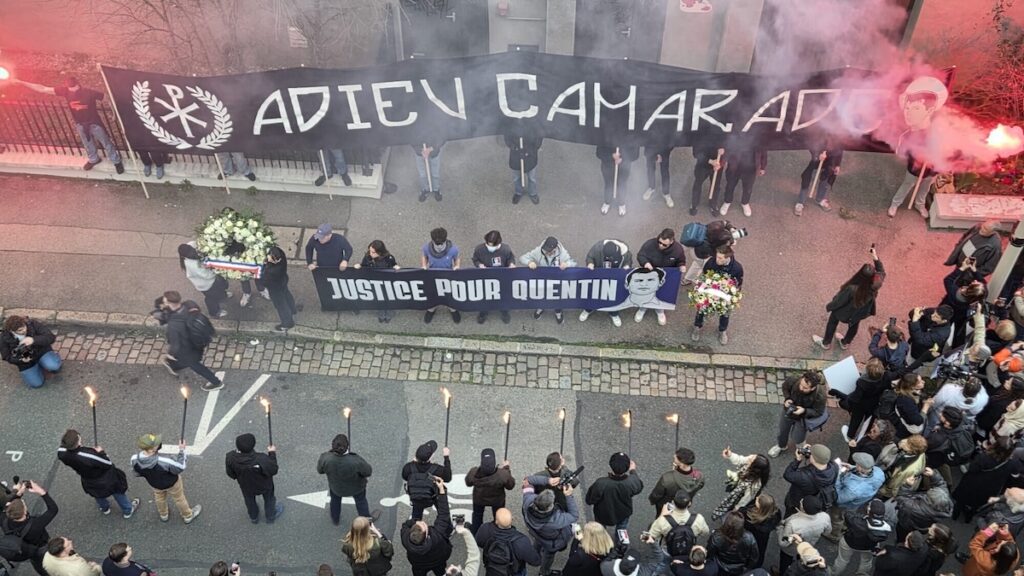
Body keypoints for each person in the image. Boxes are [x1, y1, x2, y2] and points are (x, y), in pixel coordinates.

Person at [14, 77, 123, 173]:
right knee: (87, 143)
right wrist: (20, 82)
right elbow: (43, 89)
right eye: (71, 89)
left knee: (106, 142)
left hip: (94, 123)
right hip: (80, 124)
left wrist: (114, 114)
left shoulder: (89, 92)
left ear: (78, 84)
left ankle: (116, 161)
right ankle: (94, 159)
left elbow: (107, 98)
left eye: (75, 88)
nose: (73, 91)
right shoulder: (65, 91)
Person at [813, 245, 885, 350]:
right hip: (859, 313)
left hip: (843, 313)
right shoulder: (876, 284)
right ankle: (845, 343)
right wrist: (875, 256)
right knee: (854, 326)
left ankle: (826, 343)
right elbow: (881, 271)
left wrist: (830, 306)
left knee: (832, 322)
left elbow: (839, 302)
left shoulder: (852, 289)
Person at [57, 429, 138, 519]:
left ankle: (105, 508)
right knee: (117, 491)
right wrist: (101, 452)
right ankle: (128, 510)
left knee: (97, 494)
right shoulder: (89, 455)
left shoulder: (61, 452)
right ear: (78, 442)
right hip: (106, 478)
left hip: (87, 478)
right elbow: (107, 463)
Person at [156, 291, 223, 391]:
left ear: (169, 303)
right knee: (192, 359)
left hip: (187, 348)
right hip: (197, 342)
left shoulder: (174, 324)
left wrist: (170, 354)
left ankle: (216, 382)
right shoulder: (190, 304)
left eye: (165, 301)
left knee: (195, 364)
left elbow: (175, 344)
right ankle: (174, 365)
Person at [130, 433, 201, 524]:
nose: (159, 444)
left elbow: (136, 473)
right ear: (152, 450)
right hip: (172, 483)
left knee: (159, 498)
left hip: (155, 484)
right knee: (179, 498)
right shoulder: (163, 461)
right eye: (156, 444)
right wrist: (182, 450)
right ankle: (187, 515)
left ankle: (164, 515)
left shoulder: (134, 459)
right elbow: (180, 466)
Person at [1, 480, 58, 576]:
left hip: (28, 550)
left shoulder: (4, 520)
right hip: (42, 548)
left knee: (40, 566)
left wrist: (18, 494)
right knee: (52, 564)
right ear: (24, 512)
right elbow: (53, 509)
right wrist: (41, 492)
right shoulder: (35, 525)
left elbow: (8, 505)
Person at [522, 479, 578, 576]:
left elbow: (527, 481)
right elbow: (574, 516)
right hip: (551, 543)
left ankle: (534, 554)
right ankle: (544, 572)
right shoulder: (556, 520)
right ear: (549, 507)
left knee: (538, 543)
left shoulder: (528, 500)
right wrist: (568, 496)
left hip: (536, 533)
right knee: (548, 556)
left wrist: (548, 480)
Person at [645, 492, 710, 573]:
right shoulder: (698, 519)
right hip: (688, 550)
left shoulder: (663, 521)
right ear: (689, 503)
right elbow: (705, 533)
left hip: (668, 550)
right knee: (684, 566)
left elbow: (651, 536)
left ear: (673, 502)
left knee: (664, 564)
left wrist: (662, 515)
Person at [585, 452, 644, 543]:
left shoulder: (601, 483)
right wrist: (632, 471)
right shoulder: (631, 481)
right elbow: (639, 486)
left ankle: (602, 543)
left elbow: (590, 500)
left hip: (603, 513)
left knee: (600, 530)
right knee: (621, 529)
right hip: (623, 513)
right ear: (627, 467)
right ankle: (620, 545)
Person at [691, 245, 743, 345]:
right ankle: (697, 326)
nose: (717, 259)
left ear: (727, 257)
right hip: (710, 293)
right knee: (701, 309)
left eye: (720, 258)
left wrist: (733, 296)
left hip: (724, 296)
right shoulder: (711, 262)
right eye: (717, 256)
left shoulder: (737, 268)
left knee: (725, 313)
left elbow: (738, 283)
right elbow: (704, 275)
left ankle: (722, 331)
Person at [401, 477, 454, 576]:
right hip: (438, 562)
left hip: (418, 565)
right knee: (441, 573)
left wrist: (414, 521)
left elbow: (406, 524)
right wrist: (442, 491)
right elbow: (443, 514)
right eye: (424, 525)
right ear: (426, 535)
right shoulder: (436, 536)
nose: (423, 522)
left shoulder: (405, 537)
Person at [768, 371, 828, 458]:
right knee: (782, 431)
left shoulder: (820, 395)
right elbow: (785, 386)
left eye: (805, 388)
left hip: (803, 418)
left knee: (798, 437)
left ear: (813, 388)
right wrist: (787, 398)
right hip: (789, 410)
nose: (801, 388)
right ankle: (781, 446)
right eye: (801, 384)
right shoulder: (795, 379)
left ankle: (800, 448)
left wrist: (804, 411)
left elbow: (818, 412)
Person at [826, 452, 884, 542]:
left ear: (860, 467)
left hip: (845, 504)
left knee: (836, 518)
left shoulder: (854, 489)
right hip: (857, 503)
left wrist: (837, 476)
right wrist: (852, 467)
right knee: (847, 515)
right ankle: (845, 525)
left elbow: (839, 499)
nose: (855, 464)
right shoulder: (879, 472)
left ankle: (834, 535)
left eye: (857, 464)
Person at [225, 433, 281, 524]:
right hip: (265, 485)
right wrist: (272, 453)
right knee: (269, 499)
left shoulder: (230, 457)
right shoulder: (262, 458)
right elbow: (273, 469)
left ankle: (253, 517)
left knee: (249, 500)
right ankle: (270, 516)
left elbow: (231, 474)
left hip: (246, 486)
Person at [318, 433, 372, 527]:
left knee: (335, 500)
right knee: (361, 501)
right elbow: (368, 471)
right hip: (357, 487)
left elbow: (320, 470)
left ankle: (335, 519)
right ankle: (366, 521)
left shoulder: (325, 458)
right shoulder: (355, 460)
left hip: (336, 487)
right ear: (347, 446)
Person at [954, 442, 1016, 523]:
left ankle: (955, 515)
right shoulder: (1011, 463)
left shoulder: (984, 457)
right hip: (990, 489)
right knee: (976, 504)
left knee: (961, 500)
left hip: (973, 483)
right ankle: (968, 518)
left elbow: (972, 468)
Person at [635, 228, 686, 325]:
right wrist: (645, 263)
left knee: (662, 295)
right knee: (645, 293)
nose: (660, 245)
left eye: (664, 244)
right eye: (659, 242)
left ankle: (660, 311)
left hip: (666, 277)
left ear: (671, 241)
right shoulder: (650, 244)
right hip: (648, 274)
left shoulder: (678, 249)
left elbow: (681, 260)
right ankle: (642, 308)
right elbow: (640, 255)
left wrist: (682, 265)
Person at [520, 236, 576, 324]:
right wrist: (529, 262)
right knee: (542, 294)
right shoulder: (539, 251)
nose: (546, 253)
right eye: (546, 251)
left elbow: (574, 263)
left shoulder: (563, 254)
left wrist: (567, 264)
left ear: (555, 249)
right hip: (544, 279)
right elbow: (523, 258)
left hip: (557, 280)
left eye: (549, 251)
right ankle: (541, 307)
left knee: (557, 297)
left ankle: (558, 312)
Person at [891, 468, 953, 542]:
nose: (930, 490)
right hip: (924, 525)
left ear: (929, 501)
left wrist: (907, 486)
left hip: (907, 524)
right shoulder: (943, 498)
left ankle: (900, 543)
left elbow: (901, 499)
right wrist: (933, 475)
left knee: (903, 536)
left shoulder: (915, 508)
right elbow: (940, 484)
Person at [580, 239, 632, 327]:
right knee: (594, 294)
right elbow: (590, 257)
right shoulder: (597, 248)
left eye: (610, 257)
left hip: (615, 278)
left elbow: (628, 260)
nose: (608, 259)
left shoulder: (624, 252)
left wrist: (627, 266)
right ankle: (588, 309)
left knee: (613, 297)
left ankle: (614, 313)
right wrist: (590, 263)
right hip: (599, 276)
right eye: (606, 257)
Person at [831, 499, 891, 576]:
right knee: (866, 562)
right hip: (870, 547)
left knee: (842, 560)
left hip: (850, 542)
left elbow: (848, 514)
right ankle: (862, 574)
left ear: (869, 510)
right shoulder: (887, 526)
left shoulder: (856, 521)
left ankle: (834, 573)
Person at [0, 314, 62, 388]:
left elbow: (50, 337)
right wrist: (21, 360)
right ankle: (37, 369)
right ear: (12, 331)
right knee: (36, 384)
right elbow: (7, 357)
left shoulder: (32, 324)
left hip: (41, 352)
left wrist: (34, 340)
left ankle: (51, 359)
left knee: (54, 366)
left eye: (24, 327)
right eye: (20, 330)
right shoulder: (3, 338)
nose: (24, 330)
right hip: (26, 363)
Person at [475, 508, 541, 576]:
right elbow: (535, 561)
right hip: (513, 572)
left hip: (492, 567)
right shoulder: (521, 541)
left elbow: (479, 542)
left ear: (496, 521)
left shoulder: (485, 528)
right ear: (512, 520)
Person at [940, 261, 988, 349]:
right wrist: (974, 270)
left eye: (975, 283)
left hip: (948, 312)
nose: (975, 280)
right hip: (962, 315)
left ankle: (939, 346)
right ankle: (956, 347)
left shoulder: (954, 293)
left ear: (970, 288)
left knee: (942, 328)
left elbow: (948, 279)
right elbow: (983, 283)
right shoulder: (979, 296)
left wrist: (962, 268)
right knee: (959, 331)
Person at [777, 496, 831, 575]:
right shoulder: (825, 517)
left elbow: (783, 542)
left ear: (803, 509)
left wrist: (780, 528)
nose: (801, 501)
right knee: (803, 561)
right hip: (809, 545)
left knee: (786, 562)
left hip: (791, 549)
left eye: (802, 503)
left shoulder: (793, 524)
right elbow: (827, 532)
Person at [712, 448, 770, 521]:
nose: (749, 457)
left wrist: (737, 508)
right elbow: (740, 460)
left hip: (738, 496)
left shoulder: (754, 485)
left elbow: (746, 499)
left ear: (754, 467)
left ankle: (724, 516)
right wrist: (730, 455)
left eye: (751, 459)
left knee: (729, 505)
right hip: (739, 488)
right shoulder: (751, 464)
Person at [781, 443, 839, 516]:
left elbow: (787, 474)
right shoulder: (834, 467)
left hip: (798, 500)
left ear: (813, 459)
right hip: (814, 499)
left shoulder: (804, 476)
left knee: (790, 513)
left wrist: (797, 460)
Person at [465, 449, 514, 535]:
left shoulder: (474, 472)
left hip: (479, 498)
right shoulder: (502, 474)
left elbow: (468, 483)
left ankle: (476, 532)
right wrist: (506, 468)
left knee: (477, 515)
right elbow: (510, 486)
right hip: (497, 500)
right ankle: (498, 531)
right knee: (497, 515)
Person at [471, 230, 516, 325]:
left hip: (502, 279)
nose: (490, 247)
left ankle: (504, 312)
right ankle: (483, 312)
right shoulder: (479, 249)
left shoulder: (505, 249)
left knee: (503, 297)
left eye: (492, 245)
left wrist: (511, 264)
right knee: (484, 297)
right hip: (485, 278)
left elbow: (511, 258)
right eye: (488, 244)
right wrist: (479, 265)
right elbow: (475, 259)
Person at [401, 440, 453, 521]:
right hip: (433, 495)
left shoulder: (408, 467)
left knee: (417, 512)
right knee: (442, 510)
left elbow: (405, 477)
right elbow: (448, 477)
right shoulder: (437, 469)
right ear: (431, 457)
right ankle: (446, 524)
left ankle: (415, 523)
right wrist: (446, 457)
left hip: (416, 496)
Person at [648, 447, 705, 518]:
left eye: (675, 458)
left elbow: (657, 494)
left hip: (666, 506)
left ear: (681, 463)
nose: (673, 457)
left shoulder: (667, 478)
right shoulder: (700, 476)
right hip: (684, 503)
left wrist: (652, 500)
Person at [353, 240, 401, 323]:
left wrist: (396, 267)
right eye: (370, 251)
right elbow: (364, 265)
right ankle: (381, 312)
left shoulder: (389, 258)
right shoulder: (368, 257)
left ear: (380, 252)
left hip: (387, 283)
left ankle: (388, 312)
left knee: (389, 298)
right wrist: (359, 266)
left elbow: (394, 264)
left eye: (373, 252)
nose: (370, 253)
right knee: (379, 298)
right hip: (374, 283)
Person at [178, 242, 230, 318]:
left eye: (192, 250)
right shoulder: (192, 265)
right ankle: (214, 312)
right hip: (206, 284)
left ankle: (222, 295)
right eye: (190, 253)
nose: (193, 252)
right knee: (211, 298)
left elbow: (198, 243)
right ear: (185, 256)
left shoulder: (191, 245)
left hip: (212, 279)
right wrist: (217, 270)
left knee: (220, 287)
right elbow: (206, 275)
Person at [421, 227, 462, 324]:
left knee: (449, 295)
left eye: (441, 244)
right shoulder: (426, 247)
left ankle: (453, 309)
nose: (439, 246)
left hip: (448, 275)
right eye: (436, 244)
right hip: (432, 275)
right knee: (432, 295)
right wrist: (423, 265)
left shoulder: (453, 249)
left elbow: (457, 258)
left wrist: (457, 266)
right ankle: (431, 309)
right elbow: (424, 256)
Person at [705, 510, 759, 576]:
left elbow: (709, 552)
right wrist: (747, 568)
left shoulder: (717, 537)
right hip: (739, 568)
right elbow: (754, 557)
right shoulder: (749, 538)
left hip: (719, 565)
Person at [720, 144, 766, 217]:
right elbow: (728, 144)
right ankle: (727, 201)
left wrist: (763, 167)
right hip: (734, 166)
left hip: (751, 168)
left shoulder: (757, 136)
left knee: (748, 188)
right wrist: (722, 161)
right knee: (730, 186)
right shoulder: (735, 133)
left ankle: (745, 203)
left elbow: (763, 151)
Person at [794, 147, 842, 216]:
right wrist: (817, 154)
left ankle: (820, 199)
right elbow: (812, 143)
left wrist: (837, 164)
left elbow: (840, 149)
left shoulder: (838, 137)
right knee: (807, 177)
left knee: (827, 176)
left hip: (831, 160)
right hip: (817, 158)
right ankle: (800, 203)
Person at [877, 435, 928, 499]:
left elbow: (895, 483)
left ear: (912, 450)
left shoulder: (909, 470)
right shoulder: (920, 452)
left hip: (890, 482)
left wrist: (885, 490)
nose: (905, 443)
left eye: (907, 444)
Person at [596, 145, 639, 216]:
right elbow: (599, 153)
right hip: (607, 164)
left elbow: (635, 154)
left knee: (622, 184)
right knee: (608, 184)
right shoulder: (604, 135)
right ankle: (607, 202)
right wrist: (612, 156)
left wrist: (622, 158)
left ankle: (621, 203)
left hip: (624, 166)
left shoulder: (632, 135)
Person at [263, 246, 298, 332]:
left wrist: (264, 265)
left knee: (280, 304)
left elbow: (265, 280)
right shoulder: (280, 254)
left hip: (275, 287)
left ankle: (287, 323)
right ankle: (292, 309)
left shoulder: (272, 271)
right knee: (286, 294)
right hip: (282, 281)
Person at [741, 494, 781, 568]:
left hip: (749, 538)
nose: (756, 498)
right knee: (760, 551)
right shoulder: (775, 514)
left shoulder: (751, 518)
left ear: (761, 507)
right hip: (762, 540)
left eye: (758, 500)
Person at [690, 145, 726, 216]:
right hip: (702, 165)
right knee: (698, 183)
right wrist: (710, 161)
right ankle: (694, 203)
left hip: (717, 165)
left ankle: (713, 204)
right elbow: (696, 153)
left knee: (716, 185)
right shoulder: (700, 134)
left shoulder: (724, 135)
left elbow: (730, 149)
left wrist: (721, 163)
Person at [505, 134, 542, 204]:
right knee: (516, 177)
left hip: (531, 153)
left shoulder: (535, 124)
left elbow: (539, 136)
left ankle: (533, 193)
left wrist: (535, 147)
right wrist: (513, 146)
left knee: (532, 178)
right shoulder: (511, 124)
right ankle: (518, 192)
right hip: (516, 154)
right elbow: (507, 137)